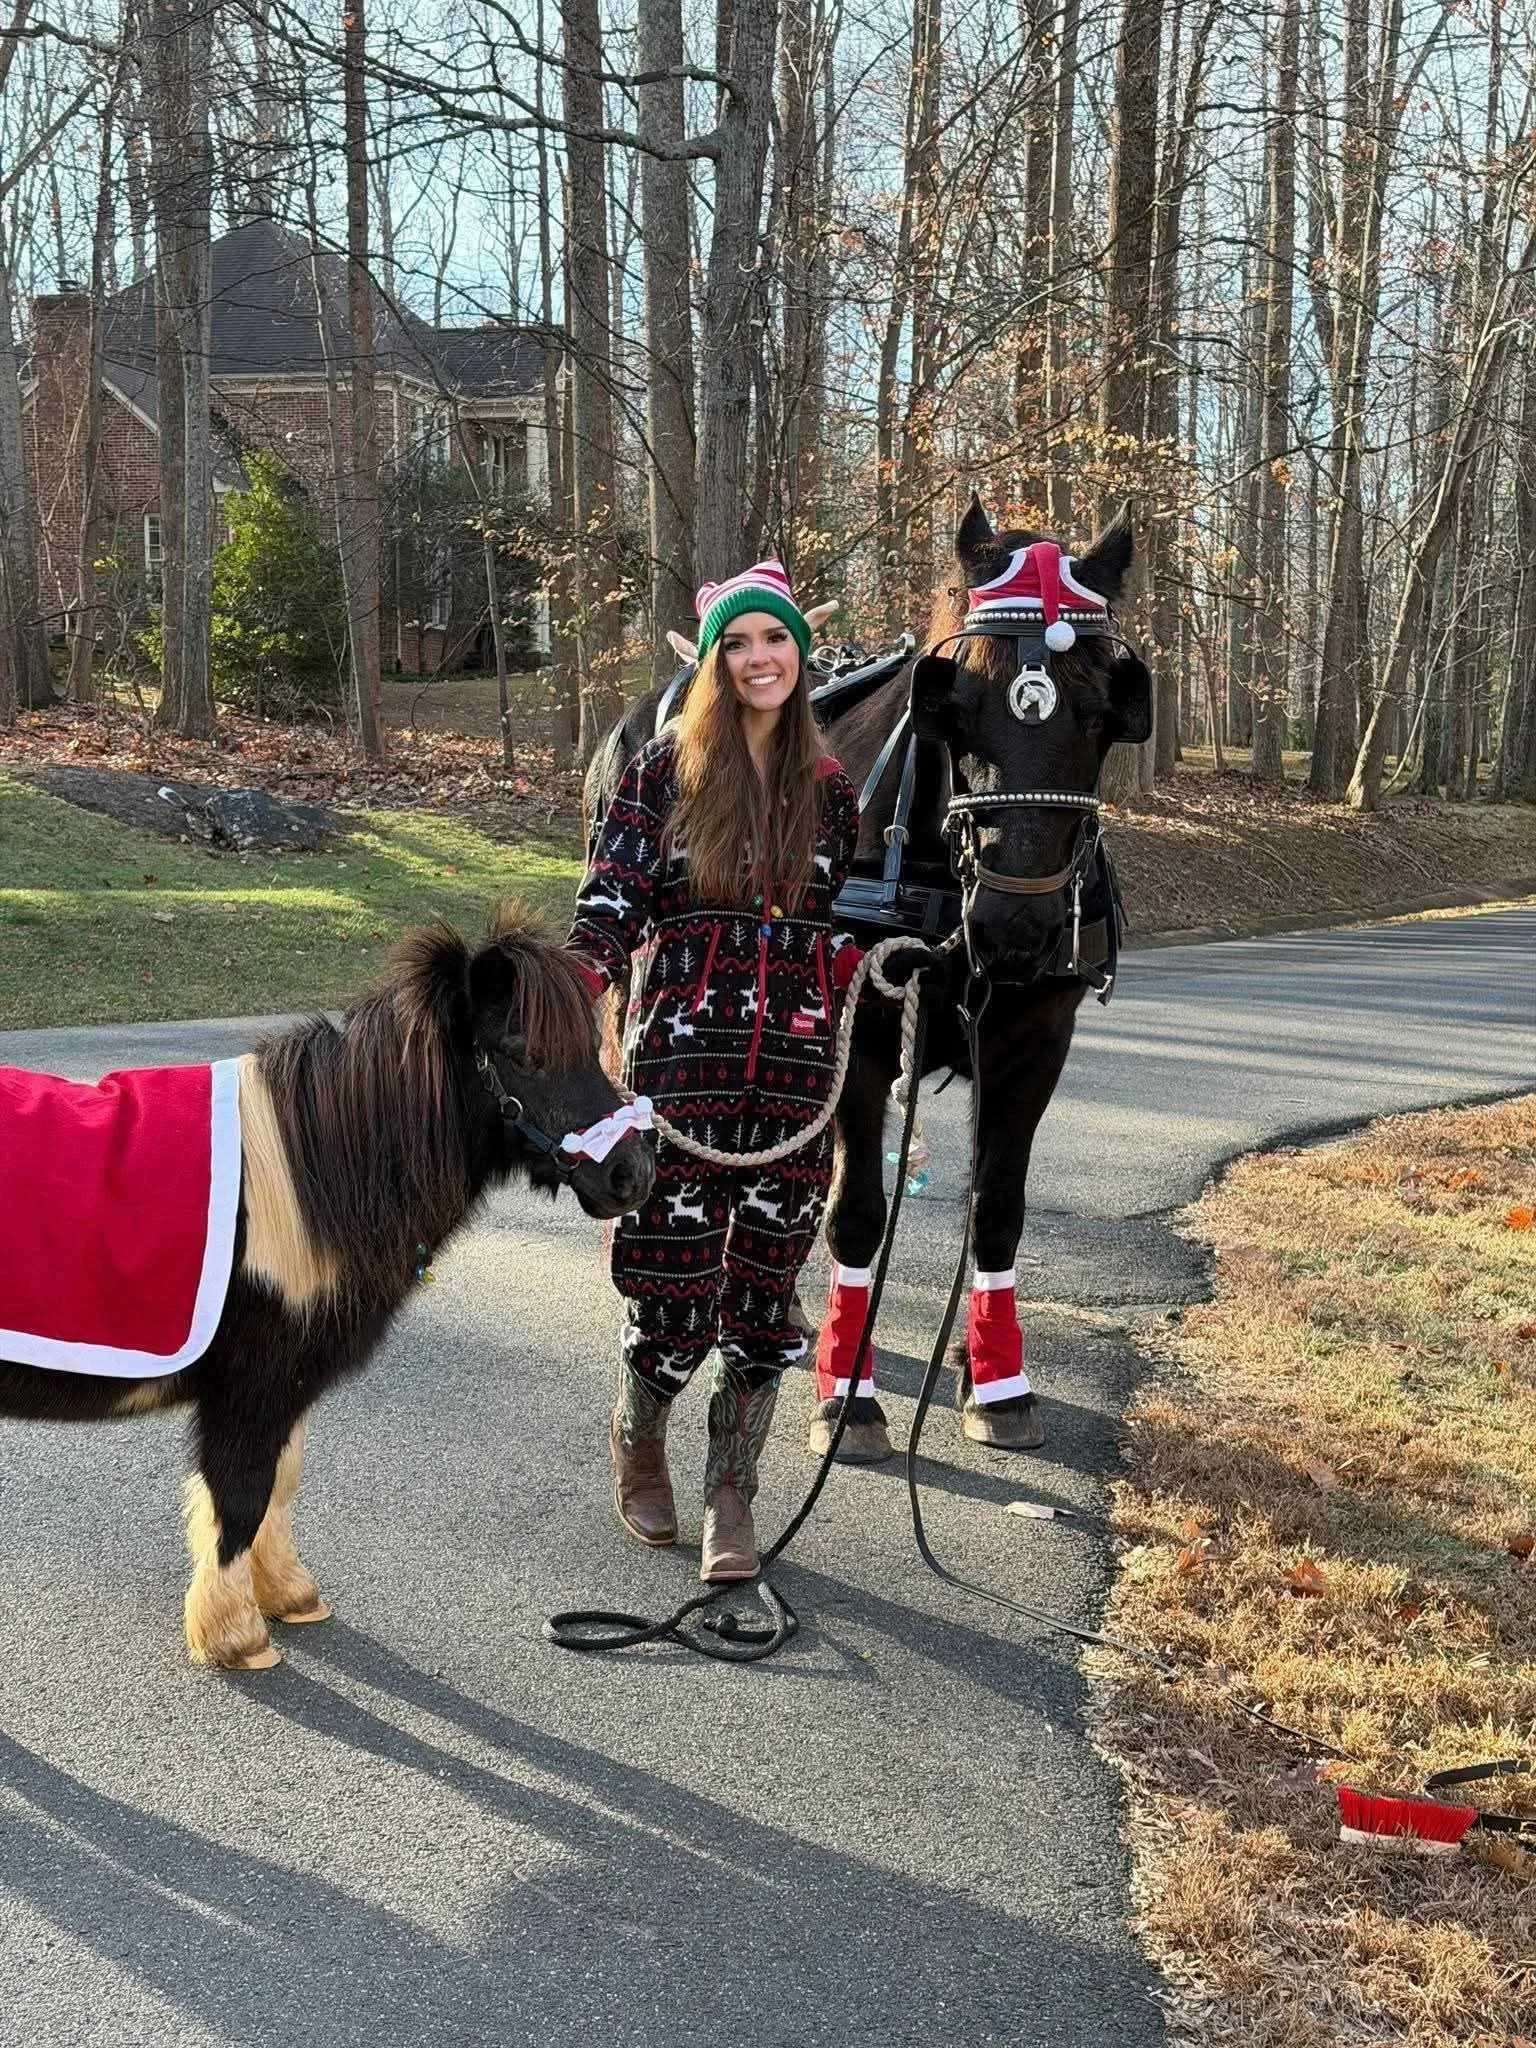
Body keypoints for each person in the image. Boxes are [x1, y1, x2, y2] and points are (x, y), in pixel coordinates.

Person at [567, 561, 862, 1583]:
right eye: (738, 644)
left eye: (773, 641)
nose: (758, 659)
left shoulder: (830, 793)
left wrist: (882, 962)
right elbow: (611, 902)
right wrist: (570, 981)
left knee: (766, 1299)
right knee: (673, 1295)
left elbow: (841, 925)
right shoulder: (659, 772)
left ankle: (731, 1490)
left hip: (794, 1085)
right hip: (682, 1078)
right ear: (714, 661)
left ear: (799, 656)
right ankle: (639, 1437)